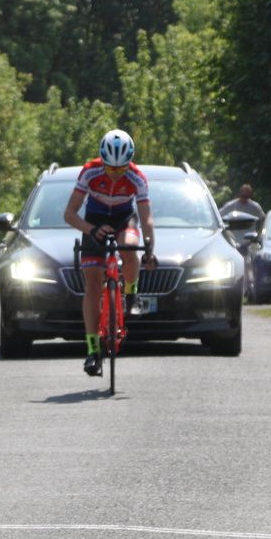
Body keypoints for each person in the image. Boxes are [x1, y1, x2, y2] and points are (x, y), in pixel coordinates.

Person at [63, 128, 156, 377]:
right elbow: (69, 214)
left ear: (129, 163)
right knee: (93, 283)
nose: (115, 174)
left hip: (125, 218)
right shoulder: (90, 171)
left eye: (121, 169)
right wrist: (91, 230)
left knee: (128, 248)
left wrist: (149, 248)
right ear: (102, 160)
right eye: (110, 168)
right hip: (94, 220)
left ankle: (131, 294)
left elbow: (146, 219)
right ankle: (93, 351)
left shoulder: (137, 177)